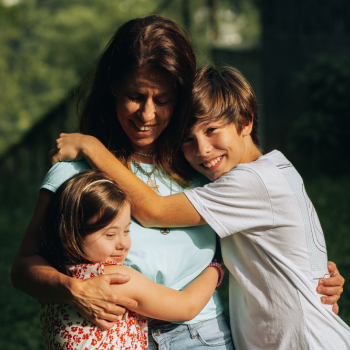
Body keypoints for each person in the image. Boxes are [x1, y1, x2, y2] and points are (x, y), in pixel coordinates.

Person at [49, 65, 349, 350]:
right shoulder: (274, 170)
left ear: (245, 121)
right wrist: (314, 273)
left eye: (212, 130)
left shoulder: (253, 181)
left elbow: (155, 211)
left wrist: (92, 147)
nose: (203, 150)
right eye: (188, 140)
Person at [12, 15, 234, 350]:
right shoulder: (76, 172)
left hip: (206, 336)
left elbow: (257, 228)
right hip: (119, 339)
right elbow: (24, 266)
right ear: (112, 89)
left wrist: (315, 272)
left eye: (162, 100)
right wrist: (74, 289)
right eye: (135, 96)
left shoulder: (199, 166)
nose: (147, 114)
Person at [38, 170, 222, 350]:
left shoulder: (52, 280)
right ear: (71, 237)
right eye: (110, 234)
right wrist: (216, 267)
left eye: (126, 230)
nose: (123, 243)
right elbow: (186, 307)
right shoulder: (113, 279)